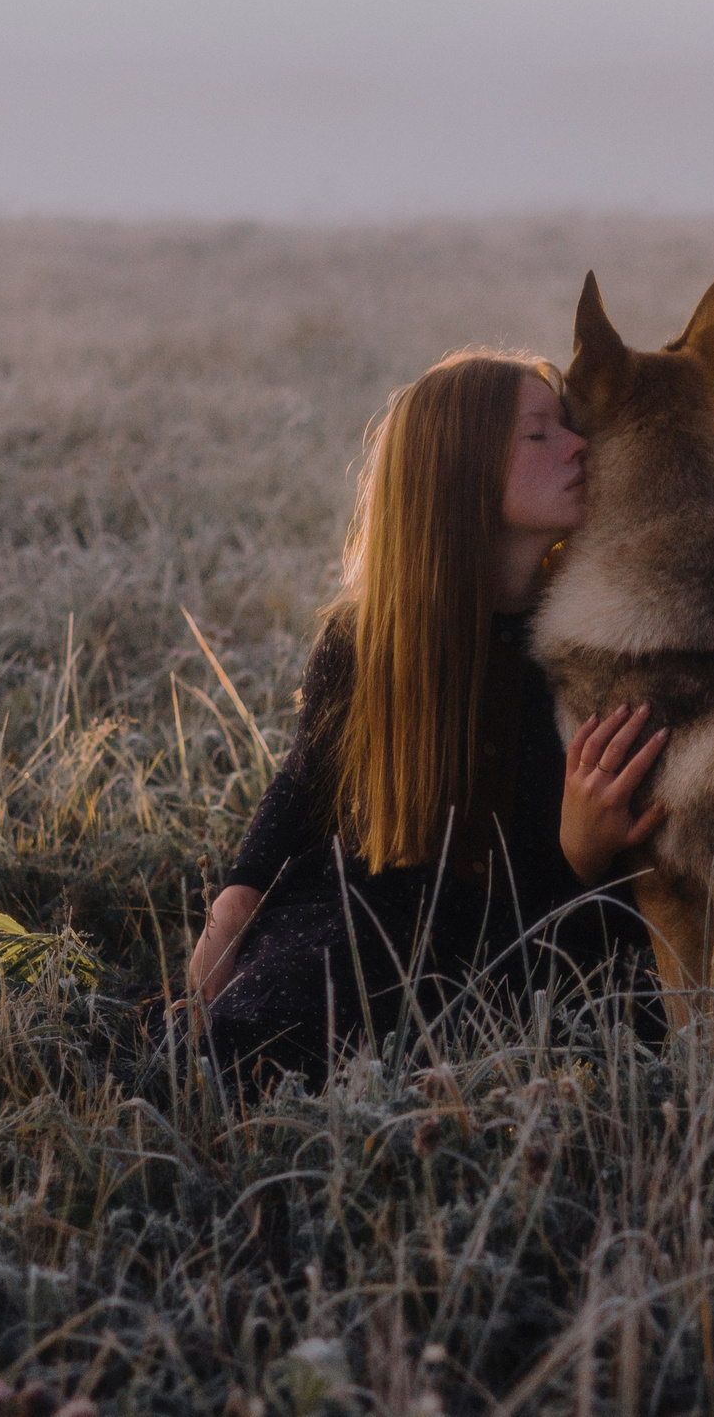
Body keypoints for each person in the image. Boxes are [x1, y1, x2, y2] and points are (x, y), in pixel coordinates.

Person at [188, 349, 671, 1084]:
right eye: (540, 435)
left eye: (567, 428)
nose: (580, 445)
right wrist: (233, 906)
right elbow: (306, 784)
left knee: (583, 1043)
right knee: (255, 1042)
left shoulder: (598, 640)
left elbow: (600, 892)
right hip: (391, 909)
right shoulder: (368, 638)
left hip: (556, 933)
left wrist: (582, 853)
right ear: (462, 474)